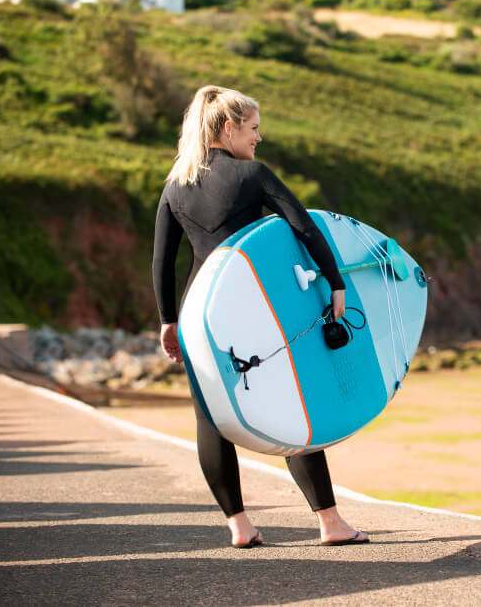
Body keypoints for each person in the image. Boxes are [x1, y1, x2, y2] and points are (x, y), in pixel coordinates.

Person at [152, 85, 369, 548]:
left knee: (209, 419)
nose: (258, 137)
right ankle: (330, 523)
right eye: (252, 128)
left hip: (198, 314)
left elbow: (163, 260)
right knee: (292, 404)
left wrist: (168, 320)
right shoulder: (251, 175)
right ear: (227, 128)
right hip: (253, 308)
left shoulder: (176, 184)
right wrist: (335, 282)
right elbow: (304, 226)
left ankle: (240, 528)